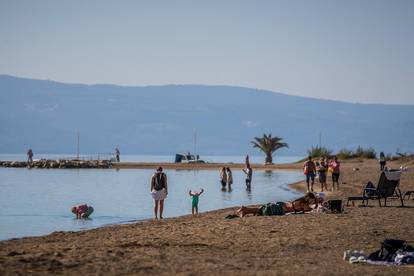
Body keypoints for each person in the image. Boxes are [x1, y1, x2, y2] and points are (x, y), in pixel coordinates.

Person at [236, 192, 317, 217]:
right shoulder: (303, 203)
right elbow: (309, 209)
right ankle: (244, 209)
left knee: (261, 210)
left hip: (281, 206)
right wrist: (316, 205)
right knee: (261, 210)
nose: (312, 202)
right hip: (281, 209)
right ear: (309, 198)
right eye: (312, 200)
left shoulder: (300, 200)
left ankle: (245, 210)